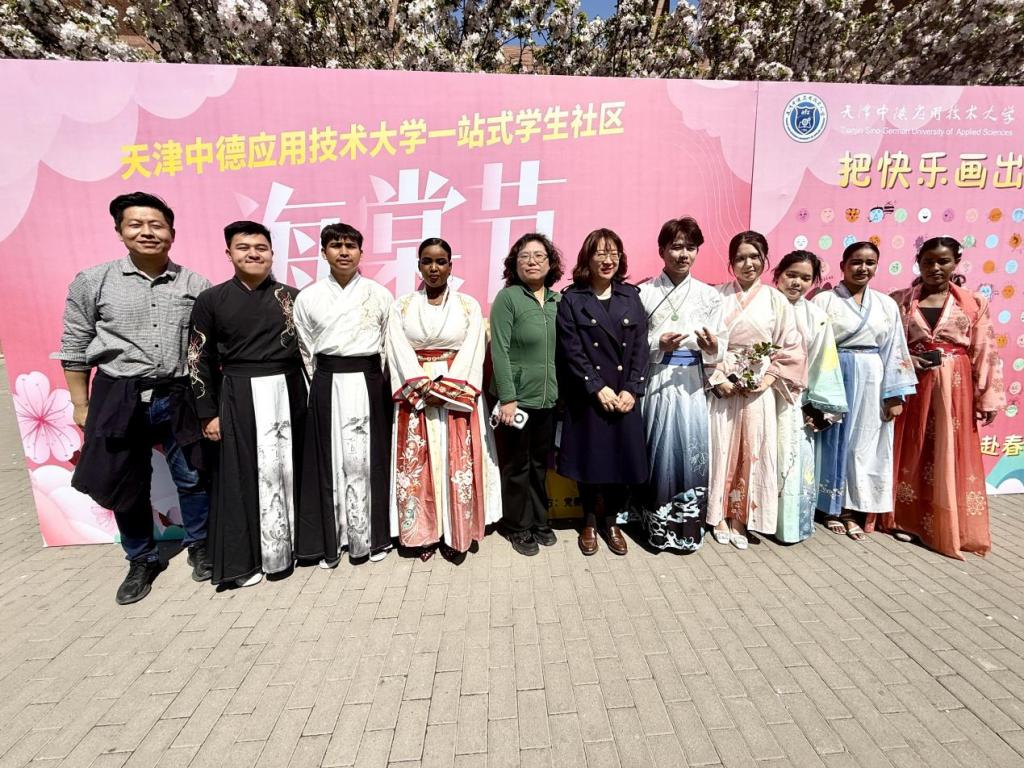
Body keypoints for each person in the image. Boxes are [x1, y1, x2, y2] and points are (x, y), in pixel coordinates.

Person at [57, 192, 211, 604]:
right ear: (120, 231)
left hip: (178, 394)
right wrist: (80, 404)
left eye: (156, 225)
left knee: (192, 476)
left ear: (172, 233)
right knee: (126, 481)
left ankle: (200, 545)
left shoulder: (195, 284)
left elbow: (205, 346)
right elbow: (74, 346)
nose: (147, 232)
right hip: (118, 394)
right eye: (136, 224)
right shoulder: (93, 281)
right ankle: (142, 558)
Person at [188, 221, 307, 587]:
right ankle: (247, 559)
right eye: (244, 247)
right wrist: (208, 413)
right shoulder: (211, 300)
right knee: (243, 476)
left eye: (261, 247)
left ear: (272, 253)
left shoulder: (293, 297)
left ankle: (296, 548)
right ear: (229, 254)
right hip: (238, 394)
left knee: (292, 469)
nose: (253, 254)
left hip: (290, 391)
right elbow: (197, 359)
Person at [885, 237, 1004, 558]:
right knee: (911, 450)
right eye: (928, 262)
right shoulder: (899, 301)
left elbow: (985, 349)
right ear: (918, 263)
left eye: (943, 261)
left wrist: (988, 397)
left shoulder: (973, 303)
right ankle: (905, 520)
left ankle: (945, 525)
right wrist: (908, 359)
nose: (935, 268)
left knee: (947, 452)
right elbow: (890, 345)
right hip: (913, 385)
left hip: (955, 387)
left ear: (956, 263)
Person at [386, 238, 502, 561]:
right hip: (416, 394)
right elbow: (397, 348)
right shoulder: (402, 306)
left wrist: (447, 390)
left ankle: (457, 531)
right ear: (419, 266)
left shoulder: (468, 305)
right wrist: (423, 387)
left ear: (451, 266)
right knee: (419, 462)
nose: (434, 268)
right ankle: (423, 532)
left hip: (456, 390)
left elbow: (474, 349)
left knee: (457, 461)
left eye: (440, 262)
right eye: (427, 261)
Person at [293, 223, 394, 565]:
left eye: (351, 246)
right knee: (330, 460)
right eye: (336, 246)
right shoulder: (308, 297)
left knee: (369, 458)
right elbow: (306, 348)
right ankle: (332, 540)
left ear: (361, 252)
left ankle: (374, 539)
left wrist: (378, 382)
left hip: (368, 380)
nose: (344, 252)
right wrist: (321, 383)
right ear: (324, 253)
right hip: (327, 381)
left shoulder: (379, 294)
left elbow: (387, 345)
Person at [706, 231, 805, 550]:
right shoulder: (716, 297)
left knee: (754, 449)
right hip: (724, 383)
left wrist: (767, 379)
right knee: (720, 447)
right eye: (740, 258)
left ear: (765, 260)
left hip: (758, 387)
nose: (748, 264)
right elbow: (704, 343)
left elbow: (791, 347)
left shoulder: (777, 300)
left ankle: (742, 517)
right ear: (730, 262)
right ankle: (718, 515)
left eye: (754, 257)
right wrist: (718, 377)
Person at [813, 241, 916, 540]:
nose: (863, 268)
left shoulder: (885, 304)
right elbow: (813, 343)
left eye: (870, 263)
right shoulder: (824, 301)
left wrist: (894, 393)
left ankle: (853, 509)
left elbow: (895, 348)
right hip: (833, 373)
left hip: (873, 377)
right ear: (843, 266)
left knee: (864, 443)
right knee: (832, 440)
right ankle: (829, 508)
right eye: (856, 262)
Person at [556, 228, 650, 556]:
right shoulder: (573, 299)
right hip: (589, 396)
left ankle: (611, 520)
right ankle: (588, 521)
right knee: (590, 462)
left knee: (621, 461)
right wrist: (597, 387)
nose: (608, 260)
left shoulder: (630, 296)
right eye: (600, 253)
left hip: (623, 394)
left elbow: (640, 348)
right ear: (588, 258)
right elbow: (571, 350)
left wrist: (633, 389)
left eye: (614, 254)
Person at [635, 217, 723, 551]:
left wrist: (713, 346)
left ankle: (687, 529)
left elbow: (721, 343)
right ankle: (653, 525)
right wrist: (657, 344)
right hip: (657, 379)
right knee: (655, 448)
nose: (683, 254)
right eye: (676, 247)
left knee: (690, 449)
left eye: (690, 247)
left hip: (691, 384)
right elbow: (632, 344)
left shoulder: (710, 295)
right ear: (661, 250)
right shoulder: (644, 293)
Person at [489, 233, 563, 557]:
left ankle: (539, 521)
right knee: (517, 466)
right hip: (516, 401)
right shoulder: (508, 298)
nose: (532, 261)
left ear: (550, 263)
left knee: (539, 465)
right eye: (524, 256)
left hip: (548, 399)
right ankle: (517, 526)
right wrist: (508, 397)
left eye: (539, 256)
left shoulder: (558, 301)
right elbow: (500, 351)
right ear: (514, 264)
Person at [772, 250, 847, 544]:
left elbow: (823, 361)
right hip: (760, 396)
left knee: (793, 460)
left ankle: (788, 525)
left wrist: (816, 404)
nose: (797, 283)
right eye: (791, 275)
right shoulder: (764, 305)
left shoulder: (817, 317)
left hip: (795, 400)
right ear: (778, 274)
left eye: (805, 278)